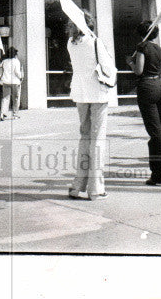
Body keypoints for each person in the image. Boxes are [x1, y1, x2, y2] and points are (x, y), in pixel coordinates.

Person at [66, 12, 116, 201]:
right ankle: (96, 188)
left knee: (84, 138)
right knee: (98, 139)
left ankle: (78, 185)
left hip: (80, 94)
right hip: (97, 93)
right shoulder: (95, 42)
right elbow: (109, 68)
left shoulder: (71, 43)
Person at [131, 22, 161, 186]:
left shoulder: (142, 47)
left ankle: (158, 174)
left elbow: (139, 70)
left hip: (147, 87)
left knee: (155, 132)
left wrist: (131, 64)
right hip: (160, 87)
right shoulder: (160, 50)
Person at [0, 47, 23, 120]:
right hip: (15, 82)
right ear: (15, 54)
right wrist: (21, 77)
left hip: (5, 81)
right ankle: (15, 114)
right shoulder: (16, 61)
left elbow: (1, 72)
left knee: (5, 98)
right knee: (15, 98)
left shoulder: (4, 61)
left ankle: (3, 113)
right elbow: (17, 72)